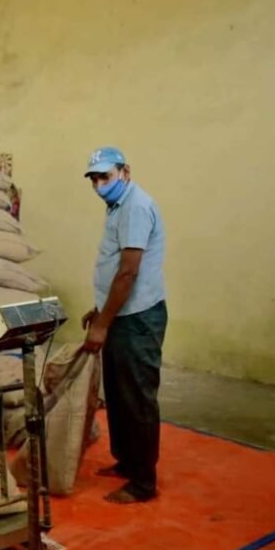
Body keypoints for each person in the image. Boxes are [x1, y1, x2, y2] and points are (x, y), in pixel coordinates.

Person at [81, 146, 167, 504]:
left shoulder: (134, 206)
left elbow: (129, 271)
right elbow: (115, 266)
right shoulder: (118, 205)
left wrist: (102, 324)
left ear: (124, 172)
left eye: (106, 176)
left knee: (137, 399)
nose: (101, 184)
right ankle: (127, 462)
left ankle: (143, 482)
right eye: (95, 179)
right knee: (118, 395)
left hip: (138, 320)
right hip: (120, 314)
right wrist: (100, 310)